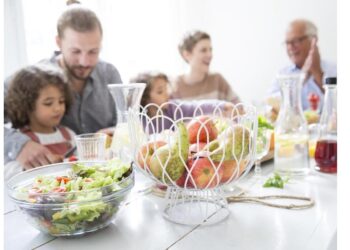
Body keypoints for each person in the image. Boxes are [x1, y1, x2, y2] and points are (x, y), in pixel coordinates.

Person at [4, 5, 122, 169]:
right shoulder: (33, 79)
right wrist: (19, 146)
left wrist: (114, 133)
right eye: (75, 51)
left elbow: (127, 122)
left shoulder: (110, 74)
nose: (85, 62)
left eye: (93, 52)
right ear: (59, 42)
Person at [4, 64, 75, 178]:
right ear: (27, 105)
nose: (58, 108)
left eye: (61, 101)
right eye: (48, 103)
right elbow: (6, 171)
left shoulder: (68, 134)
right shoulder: (21, 140)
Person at [268, 19, 337, 113]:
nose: (290, 47)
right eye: (287, 43)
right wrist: (303, 76)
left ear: (313, 40)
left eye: (296, 41)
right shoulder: (283, 74)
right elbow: (271, 107)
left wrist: (317, 73)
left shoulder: (334, 70)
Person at [131, 71, 234, 133]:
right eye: (160, 91)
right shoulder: (138, 119)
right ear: (144, 98)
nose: (167, 94)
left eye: (166, 88)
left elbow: (196, 106)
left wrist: (222, 105)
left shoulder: (172, 108)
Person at [172, 30, 241, 104]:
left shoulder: (217, 80)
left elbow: (240, 109)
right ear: (187, 55)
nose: (210, 55)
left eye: (210, 50)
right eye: (203, 50)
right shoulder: (175, 87)